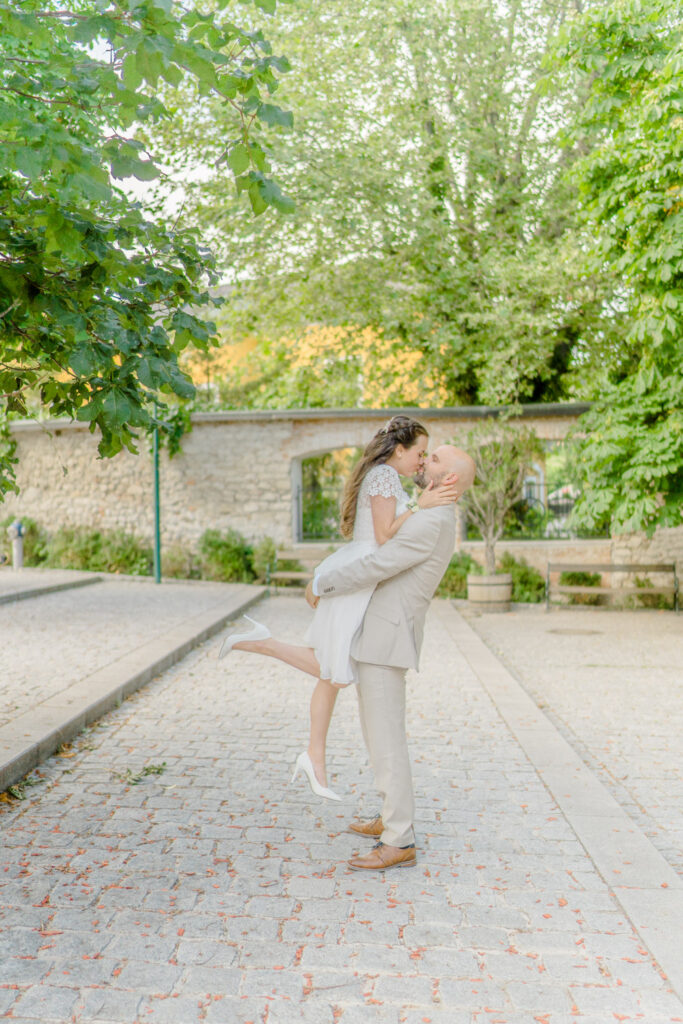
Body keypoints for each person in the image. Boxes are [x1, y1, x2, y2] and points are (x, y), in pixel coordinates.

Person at [218, 415, 459, 799]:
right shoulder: (383, 477)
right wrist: (420, 504)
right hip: (360, 576)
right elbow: (383, 537)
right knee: (338, 669)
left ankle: (314, 756)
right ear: (400, 450)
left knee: (332, 669)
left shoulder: (386, 477)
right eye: (420, 452)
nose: (421, 461)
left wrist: (417, 504)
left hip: (362, 574)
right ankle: (264, 646)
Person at [307, 444, 476, 871]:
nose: (425, 461)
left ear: (450, 479)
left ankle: (399, 839)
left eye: (434, 460)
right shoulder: (429, 513)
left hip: (387, 638)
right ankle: (390, 816)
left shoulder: (434, 520)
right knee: (378, 735)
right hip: (380, 634)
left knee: (386, 741)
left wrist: (322, 582)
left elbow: (377, 565)